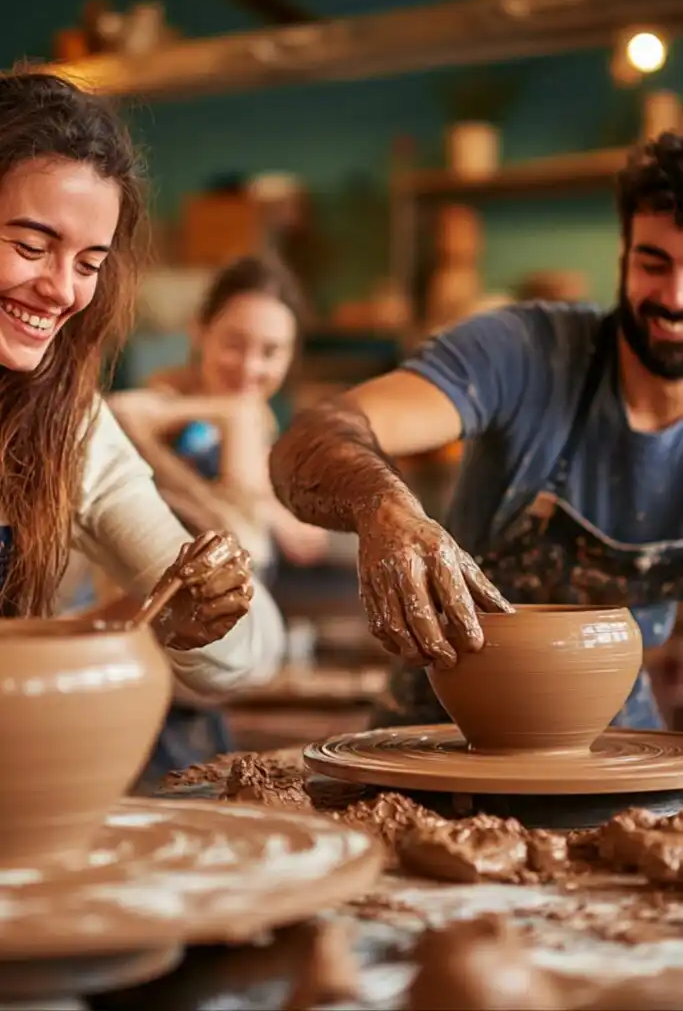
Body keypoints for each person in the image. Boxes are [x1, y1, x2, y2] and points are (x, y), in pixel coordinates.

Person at [269, 130, 683, 732]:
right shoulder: (525, 352)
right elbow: (312, 436)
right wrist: (384, 509)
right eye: (654, 263)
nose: (674, 297)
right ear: (624, 254)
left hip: (613, 743)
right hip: (438, 731)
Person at [0, 70, 284, 784]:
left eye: (89, 263)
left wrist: (201, 615)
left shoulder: (67, 426)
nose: (63, 289)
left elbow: (252, 652)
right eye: (31, 247)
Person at [109, 254, 329, 580]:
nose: (249, 367)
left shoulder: (260, 418)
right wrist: (232, 414)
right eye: (234, 344)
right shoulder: (166, 400)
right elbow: (119, 412)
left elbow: (309, 537)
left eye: (270, 352)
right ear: (199, 331)